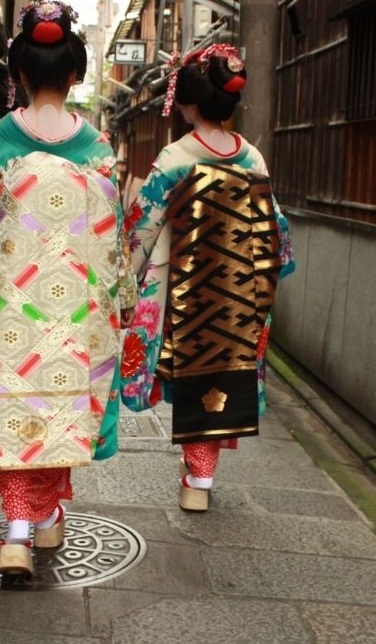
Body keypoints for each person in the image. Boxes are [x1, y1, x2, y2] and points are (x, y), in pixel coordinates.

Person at [0, 0, 136, 577]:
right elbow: (115, 241)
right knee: (64, 405)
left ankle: (19, 529)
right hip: (79, 302)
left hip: (8, 300)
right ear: (76, 74)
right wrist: (128, 301)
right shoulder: (96, 147)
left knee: (12, 400)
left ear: (17, 73)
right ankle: (42, 522)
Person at [122, 44, 294, 512]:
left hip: (185, 285)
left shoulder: (175, 157)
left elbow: (142, 228)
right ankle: (200, 475)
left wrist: (123, 282)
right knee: (222, 374)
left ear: (189, 104)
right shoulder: (252, 158)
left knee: (190, 373)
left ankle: (199, 477)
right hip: (238, 291)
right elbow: (276, 230)